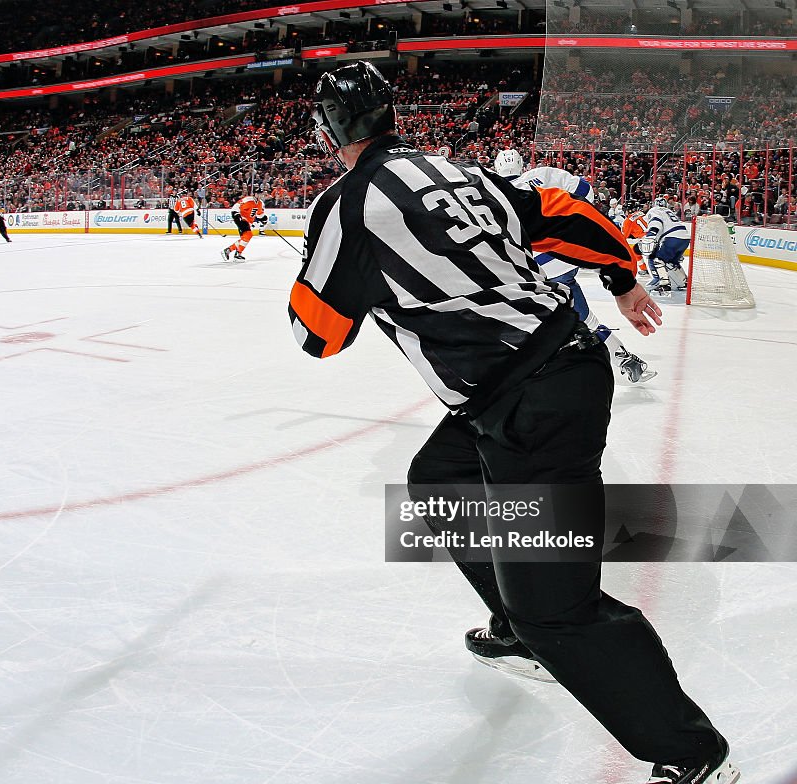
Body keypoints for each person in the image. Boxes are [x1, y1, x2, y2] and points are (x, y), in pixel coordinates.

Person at [290, 62, 737, 784]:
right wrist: (621, 278)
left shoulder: (343, 207)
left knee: (557, 609)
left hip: (532, 400)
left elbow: (319, 335)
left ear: (328, 132)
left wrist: (327, 286)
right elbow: (561, 210)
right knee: (438, 479)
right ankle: (517, 626)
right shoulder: (455, 170)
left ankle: (691, 751)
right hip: (545, 375)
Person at [493, 149, 654, 383]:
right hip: (565, 257)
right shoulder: (541, 174)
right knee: (581, 315)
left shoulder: (490, 188)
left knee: (532, 322)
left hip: (529, 266)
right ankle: (623, 359)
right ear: (521, 164)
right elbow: (585, 192)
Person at [641, 196, 690, 293]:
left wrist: (651, 235)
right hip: (685, 237)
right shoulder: (669, 211)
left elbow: (656, 221)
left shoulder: (654, 210)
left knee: (658, 261)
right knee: (672, 262)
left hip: (672, 237)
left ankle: (664, 284)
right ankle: (684, 282)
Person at [220, 193, 267, 262]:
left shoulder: (260, 203)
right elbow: (235, 207)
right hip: (242, 219)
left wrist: (264, 218)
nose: (260, 195)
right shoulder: (247, 199)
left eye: (261, 194)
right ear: (255, 194)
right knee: (248, 235)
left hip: (249, 222)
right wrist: (236, 215)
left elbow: (259, 214)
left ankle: (228, 250)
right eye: (259, 194)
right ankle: (238, 254)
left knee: (244, 238)